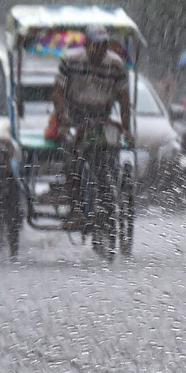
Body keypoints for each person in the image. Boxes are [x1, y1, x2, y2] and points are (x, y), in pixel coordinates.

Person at [51, 25, 132, 229]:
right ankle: (76, 209)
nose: (99, 50)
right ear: (86, 44)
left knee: (106, 161)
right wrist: (62, 120)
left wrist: (126, 127)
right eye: (95, 46)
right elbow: (58, 92)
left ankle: (108, 199)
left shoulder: (116, 66)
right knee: (73, 161)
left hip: (101, 120)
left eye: (104, 46)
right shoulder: (70, 61)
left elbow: (124, 99)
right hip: (75, 118)